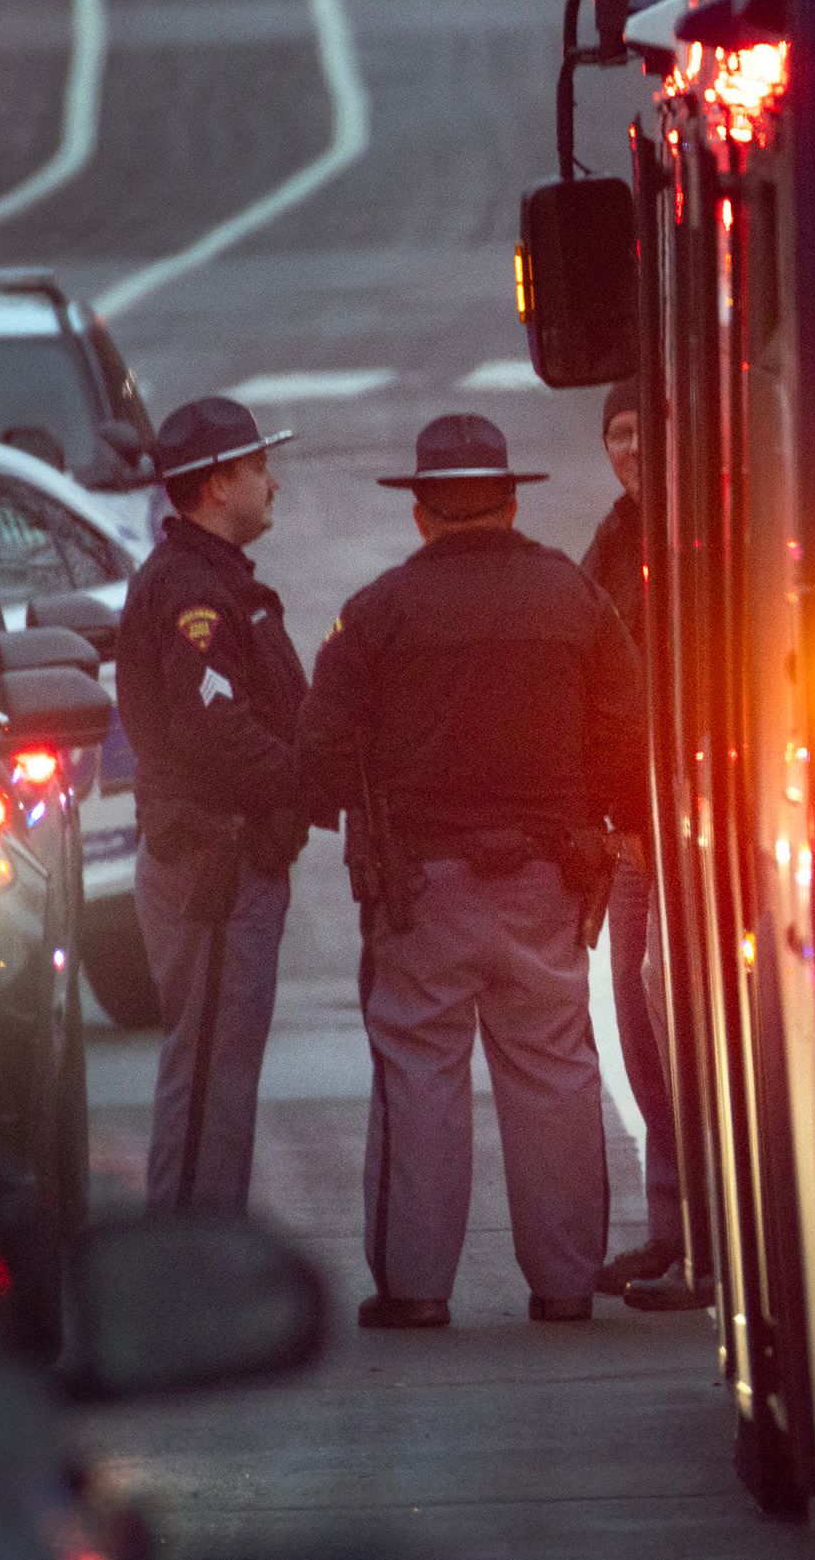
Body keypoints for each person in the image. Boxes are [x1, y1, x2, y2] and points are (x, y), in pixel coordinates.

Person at [300, 413, 642, 1329]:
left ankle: (415, 1289)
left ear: (421, 513)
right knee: (556, 1069)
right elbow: (626, 730)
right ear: (513, 500)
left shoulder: (376, 612)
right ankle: (567, 1284)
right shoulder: (574, 597)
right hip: (548, 878)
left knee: (418, 1069)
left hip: (421, 889)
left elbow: (324, 748)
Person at [110, 395, 308, 1212]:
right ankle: (188, 1264)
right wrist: (316, 782)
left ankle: (203, 1244)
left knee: (220, 1071)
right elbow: (216, 735)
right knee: (206, 1076)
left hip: (229, 864)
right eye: (259, 467)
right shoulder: (193, 594)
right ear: (219, 484)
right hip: (213, 867)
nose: (273, 481)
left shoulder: (217, 582)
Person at [578, 384, 706, 1310]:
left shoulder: (704, 529)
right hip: (631, 821)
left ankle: (706, 1224)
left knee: (681, 1016)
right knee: (639, 1019)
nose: (628, 448)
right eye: (616, 433)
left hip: (691, 815)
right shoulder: (616, 537)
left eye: (640, 431)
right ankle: (672, 1224)